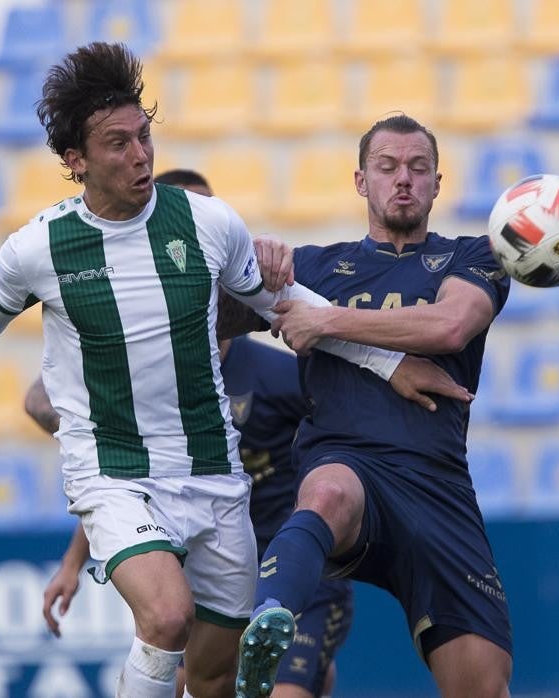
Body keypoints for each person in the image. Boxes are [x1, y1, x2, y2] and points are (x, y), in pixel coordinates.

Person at [0, 43, 470, 698]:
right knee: (167, 618)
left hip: (214, 477)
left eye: (144, 137)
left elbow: (286, 306)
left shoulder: (207, 223)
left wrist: (389, 365)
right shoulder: (40, 247)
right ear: (76, 160)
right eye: (117, 144)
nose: (140, 156)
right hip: (115, 473)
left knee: (212, 678)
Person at [34, 170, 354, 698]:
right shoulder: (140, 377)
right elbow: (115, 474)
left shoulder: (279, 375)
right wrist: (73, 564)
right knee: (193, 680)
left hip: (291, 574)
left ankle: (309, 673)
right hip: (207, 574)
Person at [234, 114, 513, 698]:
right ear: (361, 181)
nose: (403, 179)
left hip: (436, 486)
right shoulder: (311, 268)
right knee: (327, 493)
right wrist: (250, 260)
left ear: (437, 183)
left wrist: (325, 320)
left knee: (484, 688)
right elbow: (205, 319)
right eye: (387, 167)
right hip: (346, 458)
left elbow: (450, 325)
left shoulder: (474, 256)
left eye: (417, 168)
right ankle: (269, 619)